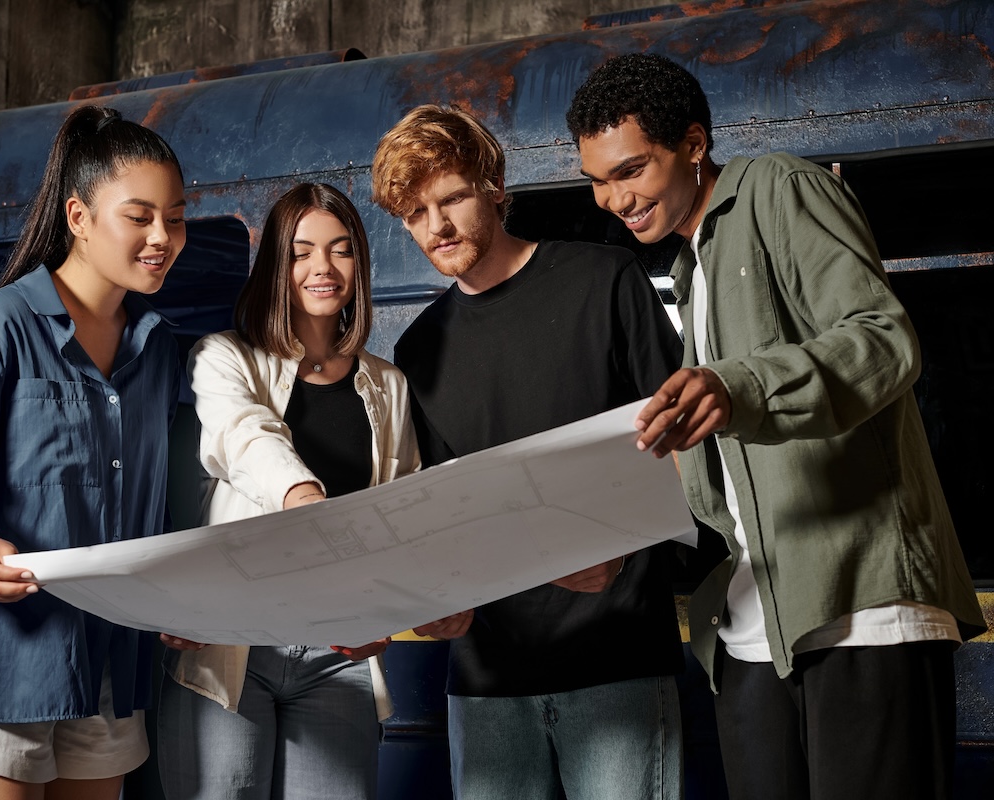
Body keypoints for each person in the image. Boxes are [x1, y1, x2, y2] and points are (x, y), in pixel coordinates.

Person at [566, 52, 987, 800]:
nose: (613, 199)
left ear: (694, 144)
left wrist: (737, 385)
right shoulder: (690, 270)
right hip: (755, 626)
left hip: (862, 609)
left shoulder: (778, 189)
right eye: (598, 180)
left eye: (631, 171)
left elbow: (883, 340)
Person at [371, 104, 686, 800]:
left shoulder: (604, 281)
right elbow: (437, 508)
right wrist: (433, 595)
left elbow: (685, 448)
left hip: (617, 659)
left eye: (451, 198)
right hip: (485, 680)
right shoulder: (418, 348)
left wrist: (626, 551)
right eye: (416, 214)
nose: (438, 227)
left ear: (493, 186)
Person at [0, 105, 188, 798]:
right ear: (79, 218)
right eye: (138, 216)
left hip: (108, 660)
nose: (162, 237)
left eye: (174, 217)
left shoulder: (160, 348)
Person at [156, 182, 420, 800]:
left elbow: (402, 515)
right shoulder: (223, 358)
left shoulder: (390, 385)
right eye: (300, 252)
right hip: (232, 639)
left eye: (341, 249)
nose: (323, 268)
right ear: (275, 266)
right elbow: (247, 436)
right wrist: (305, 499)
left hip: (339, 652)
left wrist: (387, 615)